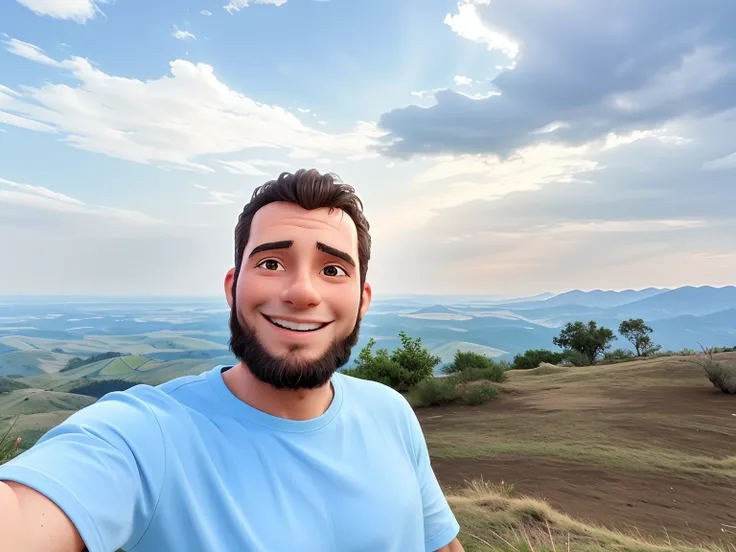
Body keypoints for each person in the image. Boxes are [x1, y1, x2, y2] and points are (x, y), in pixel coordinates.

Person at [0, 169, 463, 552]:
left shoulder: (391, 413)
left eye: (333, 270)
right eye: (271, 263)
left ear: (362, 300)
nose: (302, 291)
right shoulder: (147, 436)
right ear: (232, 287)